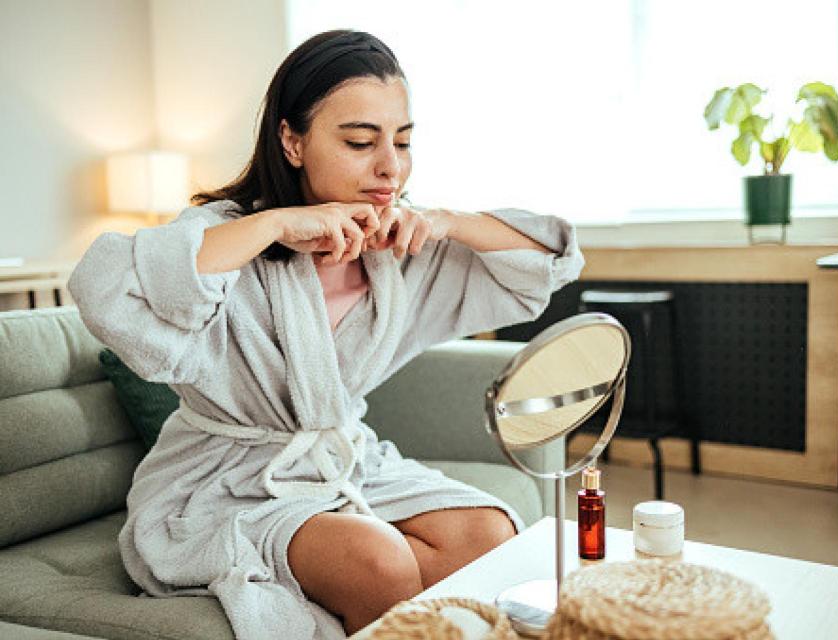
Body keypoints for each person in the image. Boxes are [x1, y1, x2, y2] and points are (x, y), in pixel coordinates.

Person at [68, 29, 585, 640]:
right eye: (360, 141)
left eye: (403, 141)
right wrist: (277, 224)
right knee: (379, 560)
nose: (389, 166)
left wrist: (447, 220)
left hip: (341, 461)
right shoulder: (230, 236)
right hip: (222, 485)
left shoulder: (401, 248)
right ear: (292, 140)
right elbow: (104, 285)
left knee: (487, 535)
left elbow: (549, 261)